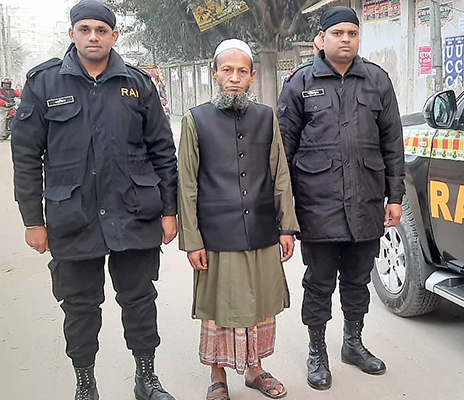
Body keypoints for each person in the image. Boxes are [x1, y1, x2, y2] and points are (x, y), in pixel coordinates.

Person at [11, 1, 177, 399]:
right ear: (72, 34)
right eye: (84, 29)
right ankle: (86, 383)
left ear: (113, 36)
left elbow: (163, 150)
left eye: (101, 30)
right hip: (73, 216)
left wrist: (170, 210)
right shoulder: (44, 83)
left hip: (134, 211)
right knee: (80, 307)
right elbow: (26, 156)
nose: (93, 37)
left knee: (140, 301)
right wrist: (33, 220)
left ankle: (146, 378)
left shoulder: (138, 83)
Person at [277, 6, 405, 391]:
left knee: (357, 280)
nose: (345, 39)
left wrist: (394, 196)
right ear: (322, 39)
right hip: (318, 205)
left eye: (352, 32)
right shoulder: (299, 83)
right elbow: (282, 150)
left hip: (366, 201)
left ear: (358, 38)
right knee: (318, 283)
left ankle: (353, 343)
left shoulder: (377, 81)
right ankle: (317, 350)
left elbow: (393, 143)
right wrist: (285, 213)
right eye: (337, 33)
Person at [178, 39, 299, 400]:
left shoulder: (266, 117)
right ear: (214, 73)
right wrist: (193, 240)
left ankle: (255, 371)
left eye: (241, 71)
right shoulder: (194, 119)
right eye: (227, 70)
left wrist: (287, 226)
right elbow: (186, 184)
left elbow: (280, 174)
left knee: (259, 303)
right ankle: (217, 376)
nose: (234, 77)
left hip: (262, 229)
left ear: (252, 76)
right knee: (218, 305)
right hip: (216, 233)